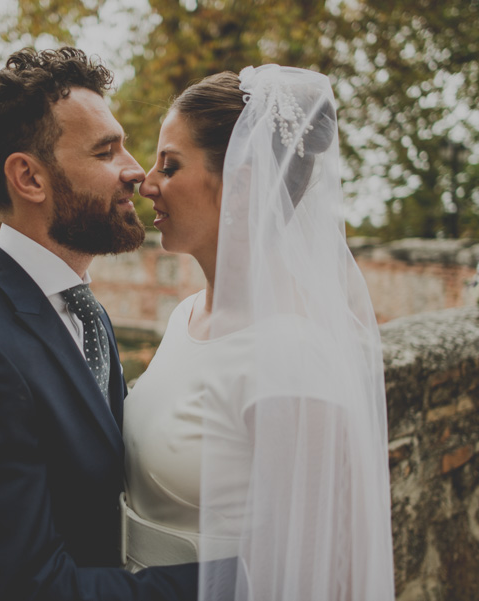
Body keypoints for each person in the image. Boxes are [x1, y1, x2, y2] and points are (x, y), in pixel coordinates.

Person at [0, 47, 198, 601]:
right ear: (29, 177)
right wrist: (234, 582)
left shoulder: (78, 304)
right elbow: (22, 589)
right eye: (107, 152)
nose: (136, 171)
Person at [123, 65, 396, 599]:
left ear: (243, 182)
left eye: (170, 166)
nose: (146, 183)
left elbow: (329, 574)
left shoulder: (292, 354)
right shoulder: (184, 319)